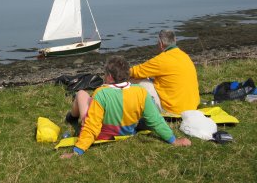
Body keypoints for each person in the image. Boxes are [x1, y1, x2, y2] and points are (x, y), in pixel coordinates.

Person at [62, 56, 191, 158]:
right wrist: (174, 141)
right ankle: (72, 117)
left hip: (102, 134)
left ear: (110, 77)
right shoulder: (140, 92)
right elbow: (155, 120)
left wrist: (77, 152)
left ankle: (72, 117)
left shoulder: (101, 93)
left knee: (81, 94)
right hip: (127, 131)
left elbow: (91, 127)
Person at [129, 29, 200, 115]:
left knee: (138, 80)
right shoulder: (185, 56)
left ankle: (122, 103)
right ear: (175, 40)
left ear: (161, 43)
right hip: (192, 107)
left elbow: (135, 71)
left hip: (173, 110)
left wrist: (116, 72)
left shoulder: (161, 60)